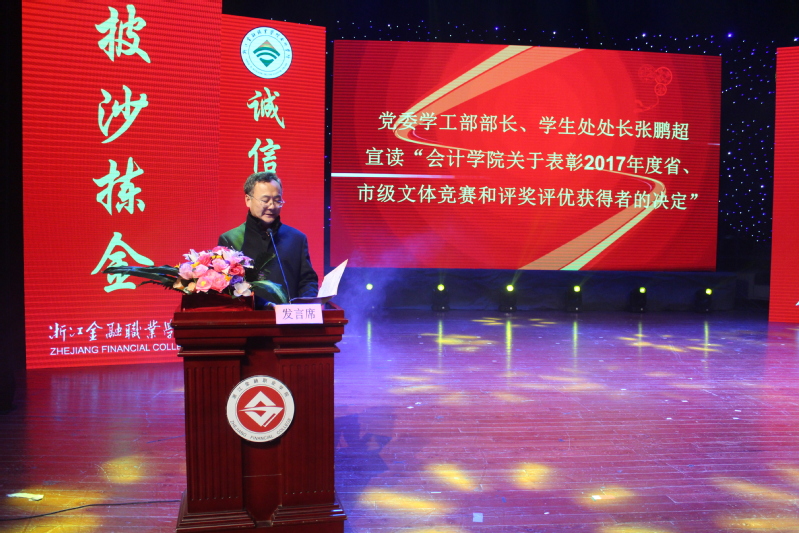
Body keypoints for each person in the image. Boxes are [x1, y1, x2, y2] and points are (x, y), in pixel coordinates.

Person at [218, 171, 318, 307]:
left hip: (290, 317)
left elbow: (307, 280)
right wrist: (264, 306)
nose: (272, 206)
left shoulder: (297, 239)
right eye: (265, 200)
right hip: (250, 317)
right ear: (248, 200)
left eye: (277, 200)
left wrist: (305, 304)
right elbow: (227, 288)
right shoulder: (230, 239)